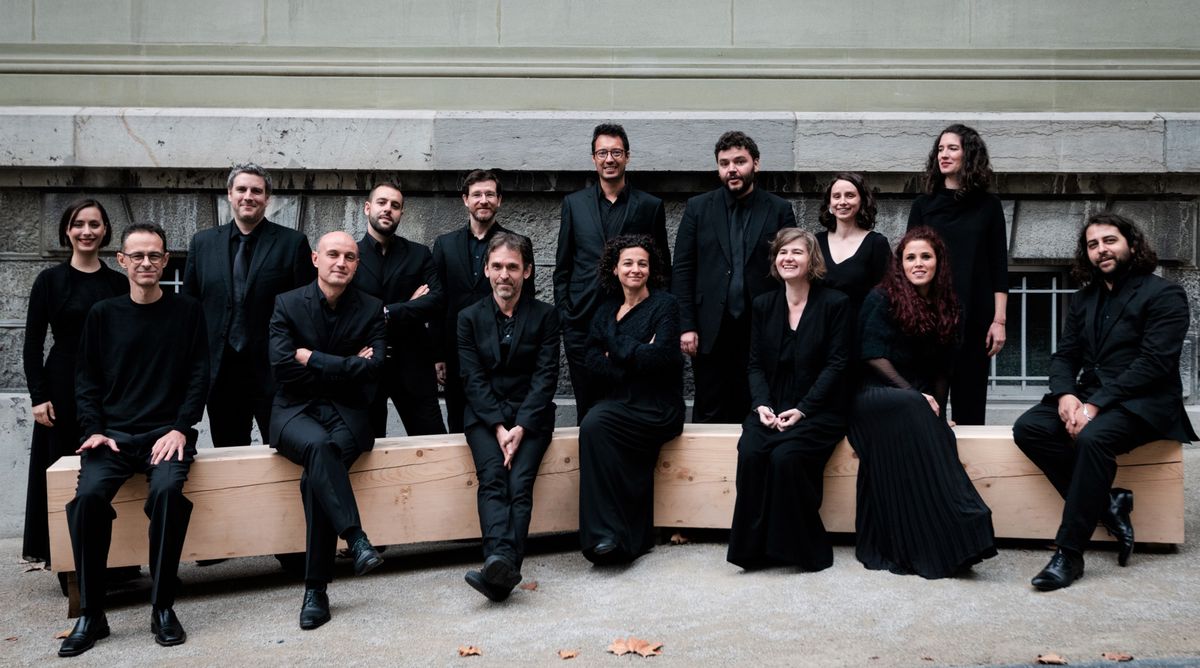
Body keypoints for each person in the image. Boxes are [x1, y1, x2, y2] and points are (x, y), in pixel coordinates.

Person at [1013, 213, 1196, 591]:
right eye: (1093, 245)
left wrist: (1093, 406)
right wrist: (1066, 394)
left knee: (1092, 439)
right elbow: (1065, 356)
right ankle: (1109, 504)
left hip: (1145, 401)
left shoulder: (1164, 294)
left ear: (1132, 244)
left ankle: (1069, 554)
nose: (1101, 250)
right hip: (1090, 394)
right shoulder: (1084, 298)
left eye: (1109, 241)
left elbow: (1154, 363)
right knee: (1029, 428)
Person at [59, 223, 209, 656]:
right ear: (122, 261)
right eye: (137, 256)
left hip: (167, 436)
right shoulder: (103, 314)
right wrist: (94, 430)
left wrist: (181, 427)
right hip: (113, 438)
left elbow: (199, 374)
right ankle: (92, 613)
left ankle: (162, 606)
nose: (146, 263)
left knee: (167, 494)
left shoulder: (187, 312)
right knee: (87, 500)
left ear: (165, 261)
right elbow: (86, 380)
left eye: (154, 255)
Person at [848, 226, 996, 579]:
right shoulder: (881, 298)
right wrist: (915, 396)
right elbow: (872, 356)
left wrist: (939, 413)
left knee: (939, 431)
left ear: (938, 262)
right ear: (900, 263)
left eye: (925, 256)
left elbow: (944, 371)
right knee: (913, 407)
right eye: (910, 257)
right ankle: (967, 513)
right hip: (874, 393)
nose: (918, 263)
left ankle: (950, 538)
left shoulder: (950, 305)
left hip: (916, 399)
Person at [268, 231, 387, 630]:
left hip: (348, 415)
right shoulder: (287, 304)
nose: (341, 262)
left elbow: (373, 370)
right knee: (319, 448)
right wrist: (347, 364)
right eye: (333, 254)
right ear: (315, 259)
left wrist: (313, 358)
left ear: (357, 264)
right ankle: (355, 539)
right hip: (294, 412)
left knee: (315, 476)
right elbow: (282, 368)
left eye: (350, 256)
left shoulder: (371, 308)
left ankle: (315, 590)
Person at [727, 228, 851, 572]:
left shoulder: (835, 304)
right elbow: (754, 364)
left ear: (812, 260)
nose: (788, 258)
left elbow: (837, 364)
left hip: (818, 408)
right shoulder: (763, 304)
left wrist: (804, 409)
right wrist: (761, 405)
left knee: (786, 458)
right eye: (783, 252)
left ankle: (798, 549)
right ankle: (753, 552)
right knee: (751, 452)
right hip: (772, 404)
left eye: (797, 252)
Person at [22, 199, 128, 567]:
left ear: (105, 231)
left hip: (108, 387)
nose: (87, 231)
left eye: (94, 224)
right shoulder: (49, 281)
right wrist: (38, 396)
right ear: (67, 230)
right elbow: (32, 343)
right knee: (60, 467)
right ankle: (61, 555)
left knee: (105, 466)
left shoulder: (118, 282)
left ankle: (117, 558)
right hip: (61, 385)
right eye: (79, 224)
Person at [183, 162, 315, 448]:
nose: (248, 196)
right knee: (229, 452)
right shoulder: (202, 243)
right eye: (241, 189)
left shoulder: (292, 243)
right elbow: (189, 307)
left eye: (256, 191)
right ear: (229, 194)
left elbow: (306, 310)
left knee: (283, 450)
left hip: (274, 370)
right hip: (221, 372)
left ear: (267, 198)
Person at [458, 232, 560, 601]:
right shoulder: (468, 318)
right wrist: (500, 428)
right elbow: (472, 378)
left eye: (513, 267)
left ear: (527, 271)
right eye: (497, 266)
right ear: (486, 269)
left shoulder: (546, 316)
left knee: (519, 484)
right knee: (493, 481)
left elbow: (546, 376)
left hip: (531, 419)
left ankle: (499, 566)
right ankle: (502, 566)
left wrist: (520, 427)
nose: (505, 274)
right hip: (485, 420)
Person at [672, 131, 797, 423]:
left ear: (756, 163)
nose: (732, 169)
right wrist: (686, 325)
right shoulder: (698, 208)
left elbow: (792, 272)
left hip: (761, 326)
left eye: (739, 161)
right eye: (724, 163)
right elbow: (683, 269)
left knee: (758, 406)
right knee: (709, 408)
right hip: (710, 328)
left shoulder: (779, 209)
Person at [579, 235, 684, 564]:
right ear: (615, 269)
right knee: (593, 427)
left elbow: (662, 357)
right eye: (628, 263)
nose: (635, 269)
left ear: (651, 269)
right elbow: (590, 362)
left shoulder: (665, 305)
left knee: (597, 423)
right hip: (620, 402)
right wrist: (636, 353)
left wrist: (614, 347)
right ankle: (604, 538)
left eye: (642, 263)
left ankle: (625, 537)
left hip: (658, 405)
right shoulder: (605, 310)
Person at [555, 123, 669, 425]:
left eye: (616, 152)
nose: (609, 159)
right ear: (593, 158)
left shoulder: (650, 206)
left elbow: (662, 270)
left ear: (627, 156)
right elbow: (563, 267)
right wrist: (566, 315)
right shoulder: (574, 204)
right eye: (602, 153)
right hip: (582, 322)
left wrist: (657, 320)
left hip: (631, 323)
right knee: (586, 407)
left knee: (627, 405)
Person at [907, 124, 1008, 425]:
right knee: (926, 405)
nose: (944, 154)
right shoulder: (923, 204)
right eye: (940, 149)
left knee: (971, 406)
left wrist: (999, 321)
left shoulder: (989, 206)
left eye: (952, 148)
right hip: (930, 316)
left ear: (969, 154)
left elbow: (999, 266)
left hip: (975, 316)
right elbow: (909, 263)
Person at [432, 170, 526, 433]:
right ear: (466, 200)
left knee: (499, 423)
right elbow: (437, 303)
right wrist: (438, 355)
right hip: (455, 352)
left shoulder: (517, 245)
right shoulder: (445, 245)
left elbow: (525, 304)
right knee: (457, 422)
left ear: (499, 200)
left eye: (489, 194)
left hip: (501, 353)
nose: (483, 200)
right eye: (477, 195)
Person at [352, 181, 446, 437]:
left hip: (413, 364)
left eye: (395, 205)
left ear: (401, 213)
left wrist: (388, 313)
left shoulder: (419, 253)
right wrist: (410, 305)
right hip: (367, 362)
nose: (388, 209)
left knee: (431, 441)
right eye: (382, 203)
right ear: (368, 208)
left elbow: (437, 300)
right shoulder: (350, 255)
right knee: (368, 445)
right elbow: (347, 308)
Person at [815, 172, 890, 312]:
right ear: (829, 203)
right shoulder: (816, 242)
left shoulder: (876, 244)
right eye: (836, 196)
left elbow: (885, 295)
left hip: (859, 323)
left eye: (850, 195)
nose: (842, 201)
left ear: (862, 201)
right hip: (821, 323)